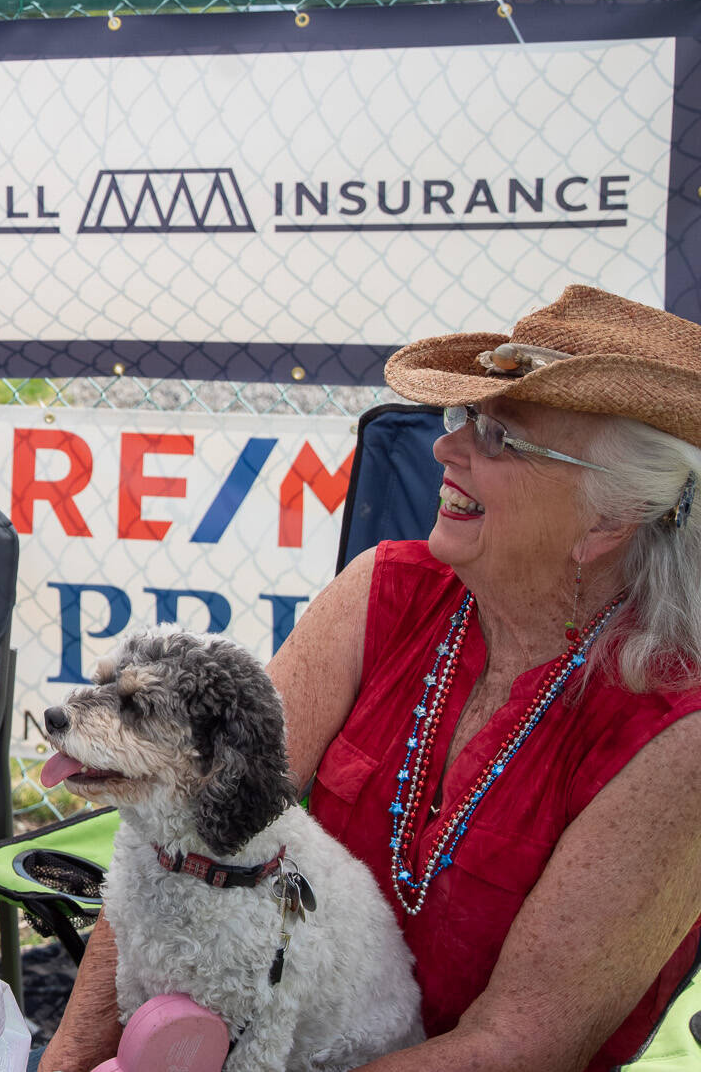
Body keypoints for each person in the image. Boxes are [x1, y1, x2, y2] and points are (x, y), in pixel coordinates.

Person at [42, 285, 701, 1072]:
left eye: (500, 437)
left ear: (608, 518)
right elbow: (178, 824)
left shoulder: (674, 731)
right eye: (463, 418)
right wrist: (70, 1060)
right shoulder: (384, 591)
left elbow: (522, 1042)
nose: (444, 450)